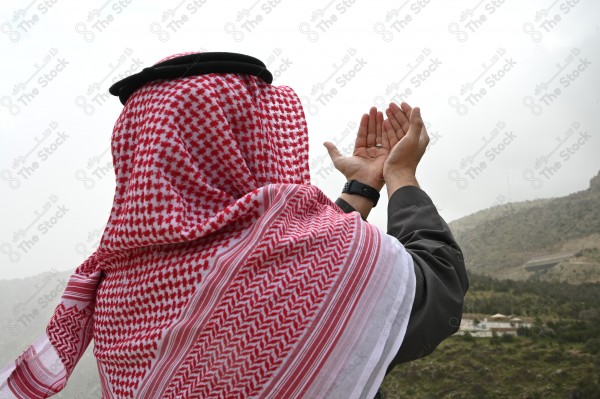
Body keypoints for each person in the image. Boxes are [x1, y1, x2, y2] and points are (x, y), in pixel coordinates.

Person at [0, 52, 467, 399]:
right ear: (244, 136)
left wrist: (361, 188)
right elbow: (435, 290)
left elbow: (285, 262)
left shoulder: (117, 286)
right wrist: (400, 177)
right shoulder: (292, 262)